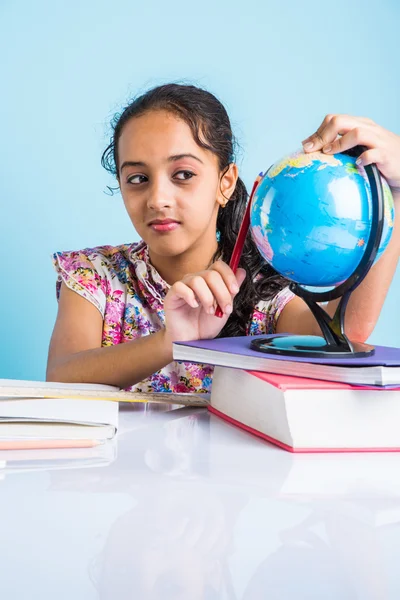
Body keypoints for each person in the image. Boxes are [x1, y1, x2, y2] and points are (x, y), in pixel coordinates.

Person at [46, 84, 400, 393]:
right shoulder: (95, 274)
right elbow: (60, 378)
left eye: (183, 174)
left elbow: (344, 336)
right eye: (138, 178)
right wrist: (171, 342)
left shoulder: (266, 293)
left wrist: (396, 191)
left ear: (225, 182)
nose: (158, 199)